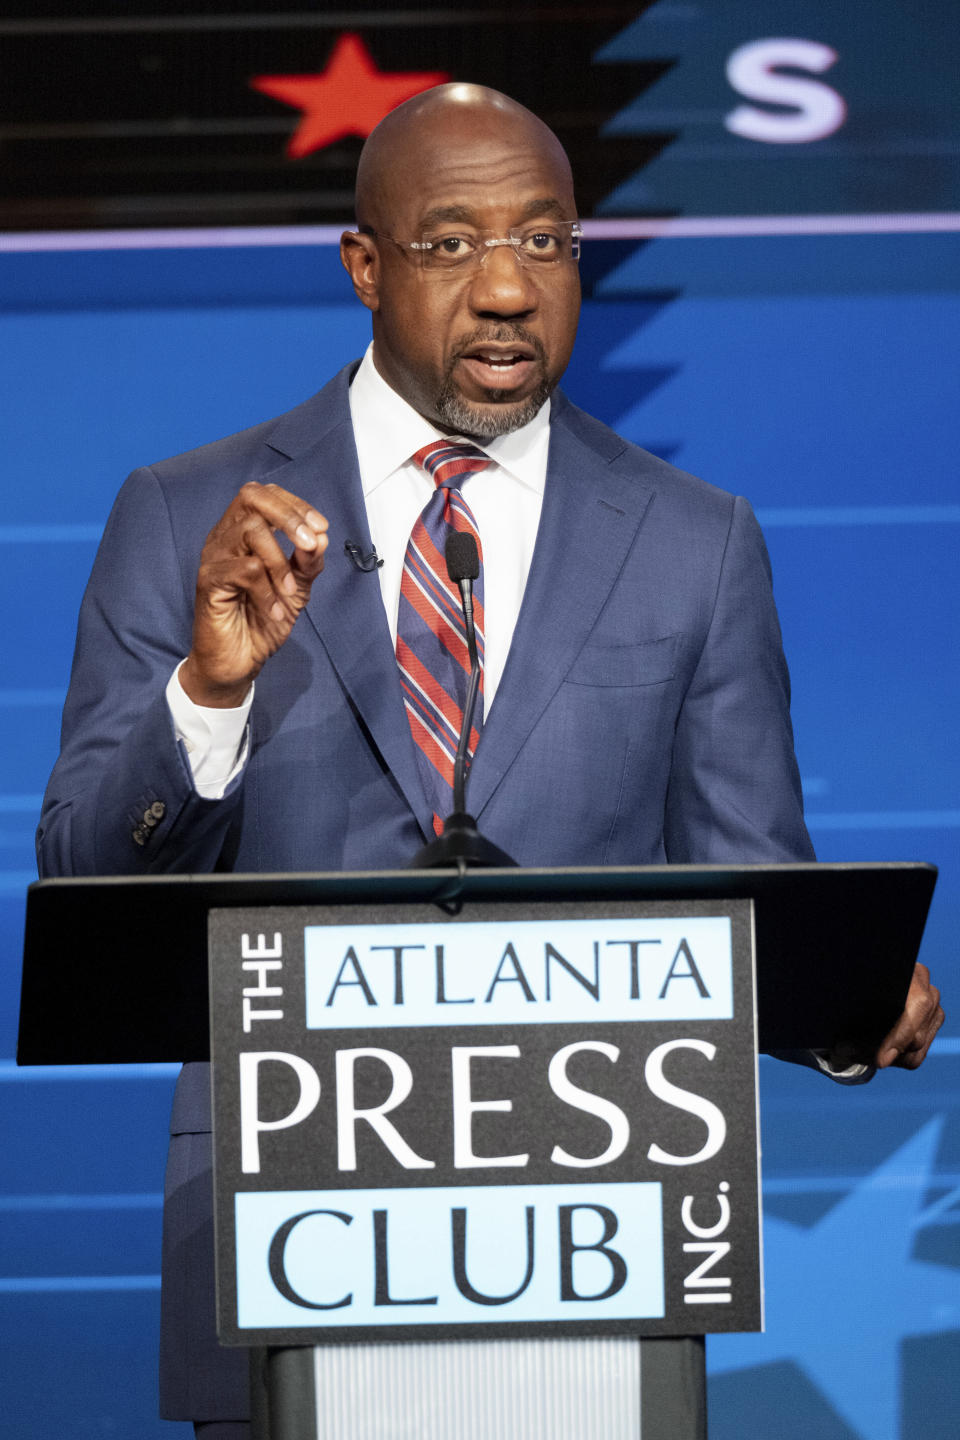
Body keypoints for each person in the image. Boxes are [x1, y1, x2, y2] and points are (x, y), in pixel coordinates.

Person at [37, 84, 943, 1435]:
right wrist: (209, 692)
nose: (511, 287)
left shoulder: (696, 542)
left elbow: (749, 885)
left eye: (547, 241)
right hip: (293, 1249)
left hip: (594, 1251)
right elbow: (84, 871)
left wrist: (844, 999)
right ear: (365, 268)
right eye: (453, 244)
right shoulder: (186, 519)